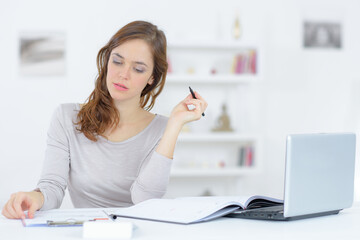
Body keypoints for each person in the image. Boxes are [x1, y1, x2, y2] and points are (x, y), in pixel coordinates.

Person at [2, 20, 207, 219]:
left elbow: (145, 200)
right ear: (107, 61)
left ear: (151, 78)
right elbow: (52, 187)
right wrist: (35, 197)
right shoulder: (66, 118)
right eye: (117, 61)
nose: (123, 74)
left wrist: (174, 125)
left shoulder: (162, 128)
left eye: (138, 69)